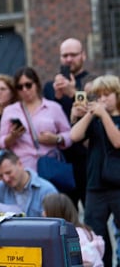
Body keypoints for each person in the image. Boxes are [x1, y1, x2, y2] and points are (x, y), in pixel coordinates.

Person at [70, 74, 120, 266]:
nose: (103, 99)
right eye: (98, 96)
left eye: (107, 94)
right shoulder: (95, 118)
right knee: (96, 233)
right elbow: (74, 136)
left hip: (117, 185)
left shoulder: (108, 117)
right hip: (95, 186)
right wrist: (89, 113)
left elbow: (117, 141)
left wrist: (104, 115)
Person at [45, 37, 93, 208]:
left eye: (73, 55)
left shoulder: (91, 82)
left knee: (93, 216)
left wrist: (73, 92)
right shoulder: (50, 87)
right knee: (64, 217)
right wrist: (57, 97)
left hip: (86, 158)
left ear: (83, 56)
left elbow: (95, 110)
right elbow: (46, 117)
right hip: (61, 160)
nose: (69, 59)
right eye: (65, 55)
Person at [0, 67, 71, 174]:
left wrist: (57, 139)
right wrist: (12, 137)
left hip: (49, 166)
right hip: (22, 168)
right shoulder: (10, 111)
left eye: (28, 85)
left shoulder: (53, 108)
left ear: (36, 84)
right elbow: (1, 141)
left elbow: (69, 134)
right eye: (20, 87)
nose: (25, 90)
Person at [43, 193, 104, 267]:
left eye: (45, 210)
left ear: (55, 213)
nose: (43, 213)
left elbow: (89, 262)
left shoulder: (76, 234)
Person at [0, 149, 56, 216]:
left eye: (8, 172)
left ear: (20, 164)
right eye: (1, 176)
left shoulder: (47, 190)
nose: (6, 179)